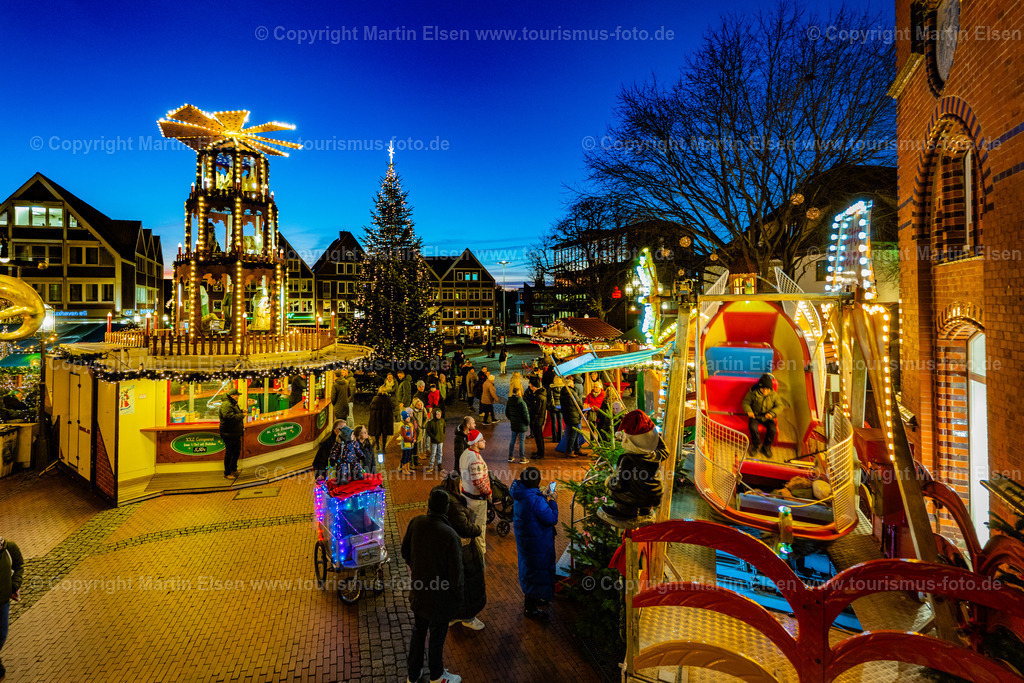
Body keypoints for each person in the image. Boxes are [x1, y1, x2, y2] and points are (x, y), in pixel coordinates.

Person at [402, 489, 464, 683]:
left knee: (419, 632)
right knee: (437, 636)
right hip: (440, 598)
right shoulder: (450, 535)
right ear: (446, 509)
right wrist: (458, 597)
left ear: (428, 505)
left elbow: (405, 552)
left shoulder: (416, 523)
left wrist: (417, 569)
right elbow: (457, 573)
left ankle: (414, 673)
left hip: (419, 592)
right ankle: (437, 675)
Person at [599, 410, 669, 526]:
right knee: (643, 488)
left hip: (633, 499)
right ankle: (644, 510)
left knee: (615, 487)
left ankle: (625, 512)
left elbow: (620, 484)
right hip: (654, 496)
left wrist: (609, 482)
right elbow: (665, 450)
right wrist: (651, 434)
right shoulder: (653, 455)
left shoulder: (627, 459)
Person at [439, 474, 486, 631]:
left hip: (447, 549)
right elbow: (465, 528)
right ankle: (467, 616)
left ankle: (452, 614)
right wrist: (477, 528)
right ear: (455, 484)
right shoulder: (455, 505)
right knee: (468, 583)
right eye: (461, 483)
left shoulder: (440, 497)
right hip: (463, 551)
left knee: (452, 583)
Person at [510, 467, 558, 619]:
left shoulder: (520, 494)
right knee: (537, 571)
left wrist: (541, 497)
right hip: (537, 543)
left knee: (530, 570)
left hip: (526, 541)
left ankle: (536, 598)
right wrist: (553, 502)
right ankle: (530, 607)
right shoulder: (535, 499)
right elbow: (551, 518)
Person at [459, 429, 491, 562]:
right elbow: (478, 481)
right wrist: (488, 493)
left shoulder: (465, 454)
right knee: (479, 529)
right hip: (477, 500)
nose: (484, 441)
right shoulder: (475, 459)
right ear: (476, 443)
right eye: (482, 440)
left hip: (466, 495)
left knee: (470, 527)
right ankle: (479, 557)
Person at [0, 536, 23, 681]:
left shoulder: (9, 548)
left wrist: (14, 585)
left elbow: (19, 565)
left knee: (1, 633)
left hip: (2, 602)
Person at [742, 373, 781, 458]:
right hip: (755, 416)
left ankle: (766, 447)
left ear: (770, 389)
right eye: (763, 388)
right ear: (759, 387)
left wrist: (772, 413)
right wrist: (749, 411)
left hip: (768, 416)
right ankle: (756, 445)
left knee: (773, 429)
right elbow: (746, 403)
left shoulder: (774, 395)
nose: (765, 391)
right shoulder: (753, 392)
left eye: (768, 389)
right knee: (753, 427)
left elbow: (780, 406)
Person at [219, 387, 245, 478]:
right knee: (230, 452)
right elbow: (229, 417)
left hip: (234, 432)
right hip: (229, 432)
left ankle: (233, 469)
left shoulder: (232, 403)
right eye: (237, 395)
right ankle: (227, 473)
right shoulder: (227, 404)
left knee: (236, 451)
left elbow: (232, 414)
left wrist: (241, 412)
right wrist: (242, 415)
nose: (238, 397)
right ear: (232, 396)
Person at [506, 386, 530, 464]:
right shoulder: (522, 402)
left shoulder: (509, 401)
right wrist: (527, 422)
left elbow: (507, 412)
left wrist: (512, 419)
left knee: (512, 440)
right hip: (522, 424)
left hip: (514, 424)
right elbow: (525, 414)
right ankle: (522, 457)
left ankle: (510, 456)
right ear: (519, 393)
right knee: (521, 441)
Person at [525, 376, 547, 460]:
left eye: (531, 387)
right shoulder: (540, 395)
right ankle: (539, 451)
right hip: (538, 418)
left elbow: (536, 410)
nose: (531, 388)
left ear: (535, 387)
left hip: (538, 419)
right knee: (538, 437)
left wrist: (530, 409)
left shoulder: (539, 397)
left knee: (539, 437)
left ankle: (541, 453)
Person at [368, 387, 395, 452]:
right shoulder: (388, 399)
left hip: (377, 419)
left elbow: (371, 408)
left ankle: (377, 446)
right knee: (384, 434)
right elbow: (392, 407)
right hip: (385, 419)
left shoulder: (375, 398)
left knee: (377, 433)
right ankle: (383, 448)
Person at [560, 381, 582, 457]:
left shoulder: (562, 392)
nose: (574, 384)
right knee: (574, 434)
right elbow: (579, 403)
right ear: (570, 384)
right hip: (574, 415)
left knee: (572, 433)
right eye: (573, 383)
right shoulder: (572, 392)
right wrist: (581, 407)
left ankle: (577, 449)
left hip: (567, 415)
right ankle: (569, 451)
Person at [425, 408, 446, 473]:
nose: (439, 415)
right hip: (434, 441)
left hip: (440, 440)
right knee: (433, 453)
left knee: (440, 453)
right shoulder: (431, 423)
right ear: (434, 415)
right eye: (437, 414)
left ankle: (439, 464)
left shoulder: (442, 421)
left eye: (439, 414)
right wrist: (433, 437)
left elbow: (444, 428)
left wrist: (442, 435)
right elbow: (428, 431)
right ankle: (431, 464)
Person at [411, 397, 429, 467]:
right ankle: (412, 461)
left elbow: (425, 418)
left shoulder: (422, 410)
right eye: (418, 405)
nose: (420, 406)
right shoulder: (411, 410)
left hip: (420, 430)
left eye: (420, 404)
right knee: (413, 446)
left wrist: (423, 425)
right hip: (413, 431)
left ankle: (415, 461)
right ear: (415, 404)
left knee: (417, 444)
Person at [400, 410, 417, 475]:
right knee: (405, 457)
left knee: (409, 456)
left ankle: (408, 468)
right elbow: (404, 436)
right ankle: (404, 469)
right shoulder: (403, 427)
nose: (409, 419)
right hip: (405, 445)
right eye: (407, 418)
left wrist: (414, 438)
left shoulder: (411, 425)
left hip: (410, 445)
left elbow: (414, 432)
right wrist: (411, 440)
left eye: (409, 418)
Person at [548, 377, 564, 445]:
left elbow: (549, 397)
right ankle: (560, 437)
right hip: (560, 407)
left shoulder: (551, 388)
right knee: (560, 422)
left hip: (553, 407)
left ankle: (554, 438)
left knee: (553, 423)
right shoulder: (563, 388)